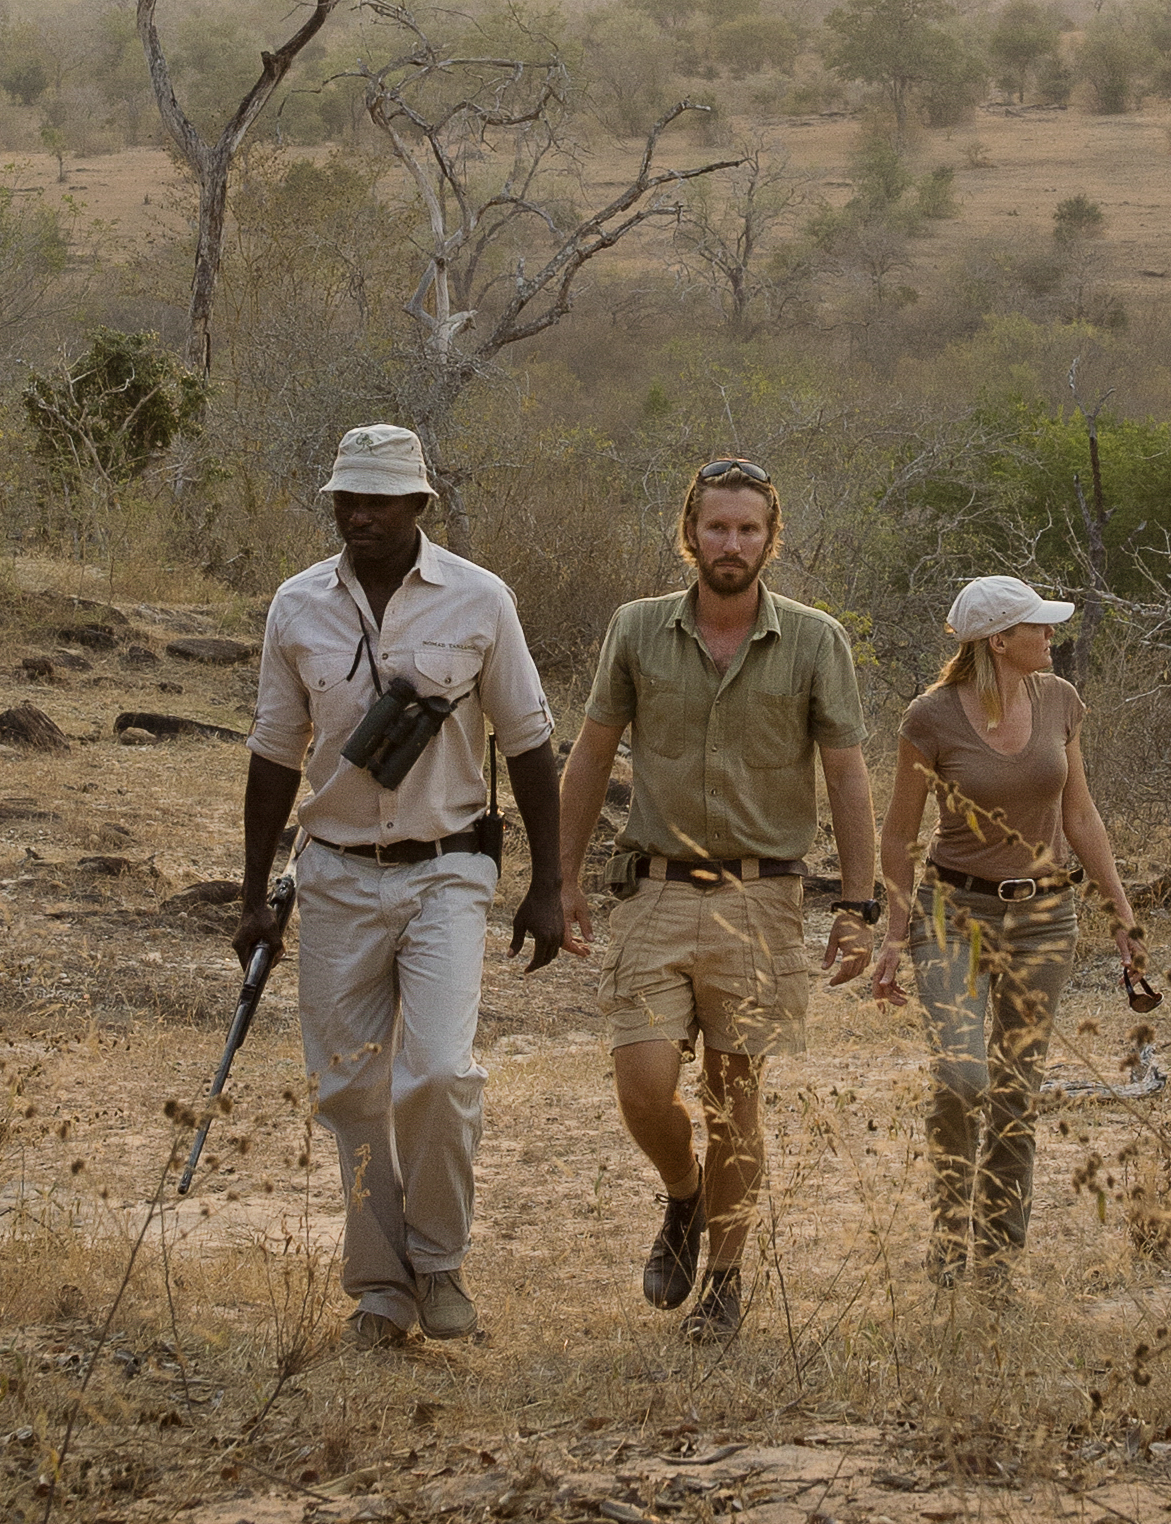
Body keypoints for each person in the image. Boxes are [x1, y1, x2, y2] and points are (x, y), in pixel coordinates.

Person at [239, 425, 569, 1353]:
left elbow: (531, 740)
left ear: (421, 505)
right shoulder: (296, 604)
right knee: (350, 1091)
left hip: (449, 868)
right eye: (348, 498)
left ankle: (440, 1260)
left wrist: (548, 885)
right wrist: (254, 892)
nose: (360, 515)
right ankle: (380, 1289)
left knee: (436, 1073)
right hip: (336, 870)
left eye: (381, 500)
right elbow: (273, 750)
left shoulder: (479, 599)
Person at [555, 458, 876, 1348]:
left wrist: (859, 904)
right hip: (654, 890)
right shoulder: (637, 630)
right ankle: (684, 1195)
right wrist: (560, 878)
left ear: (773, 539)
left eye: (749, 529)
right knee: (644, 1082)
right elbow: (590, 754)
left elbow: (847, 772)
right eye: (716, 527)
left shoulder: (816, 641)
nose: (731, 544)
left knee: (738, 1099)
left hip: (761, 898)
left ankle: (725, 1287)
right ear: (688, 533)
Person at [861, 577, 1147, 1292]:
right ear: (997, 640)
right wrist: (894, 935)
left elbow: (1081, 817)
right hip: (952, 912)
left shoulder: (1058, 702)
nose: (1050, 637)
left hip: (1045, 916)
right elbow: (896, 835)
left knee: (1016, 1087)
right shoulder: (930, 719)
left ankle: (996, 1256)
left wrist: (1122, 914)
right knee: (963, 1078)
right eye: (1036, 627)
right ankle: (949, 1230)